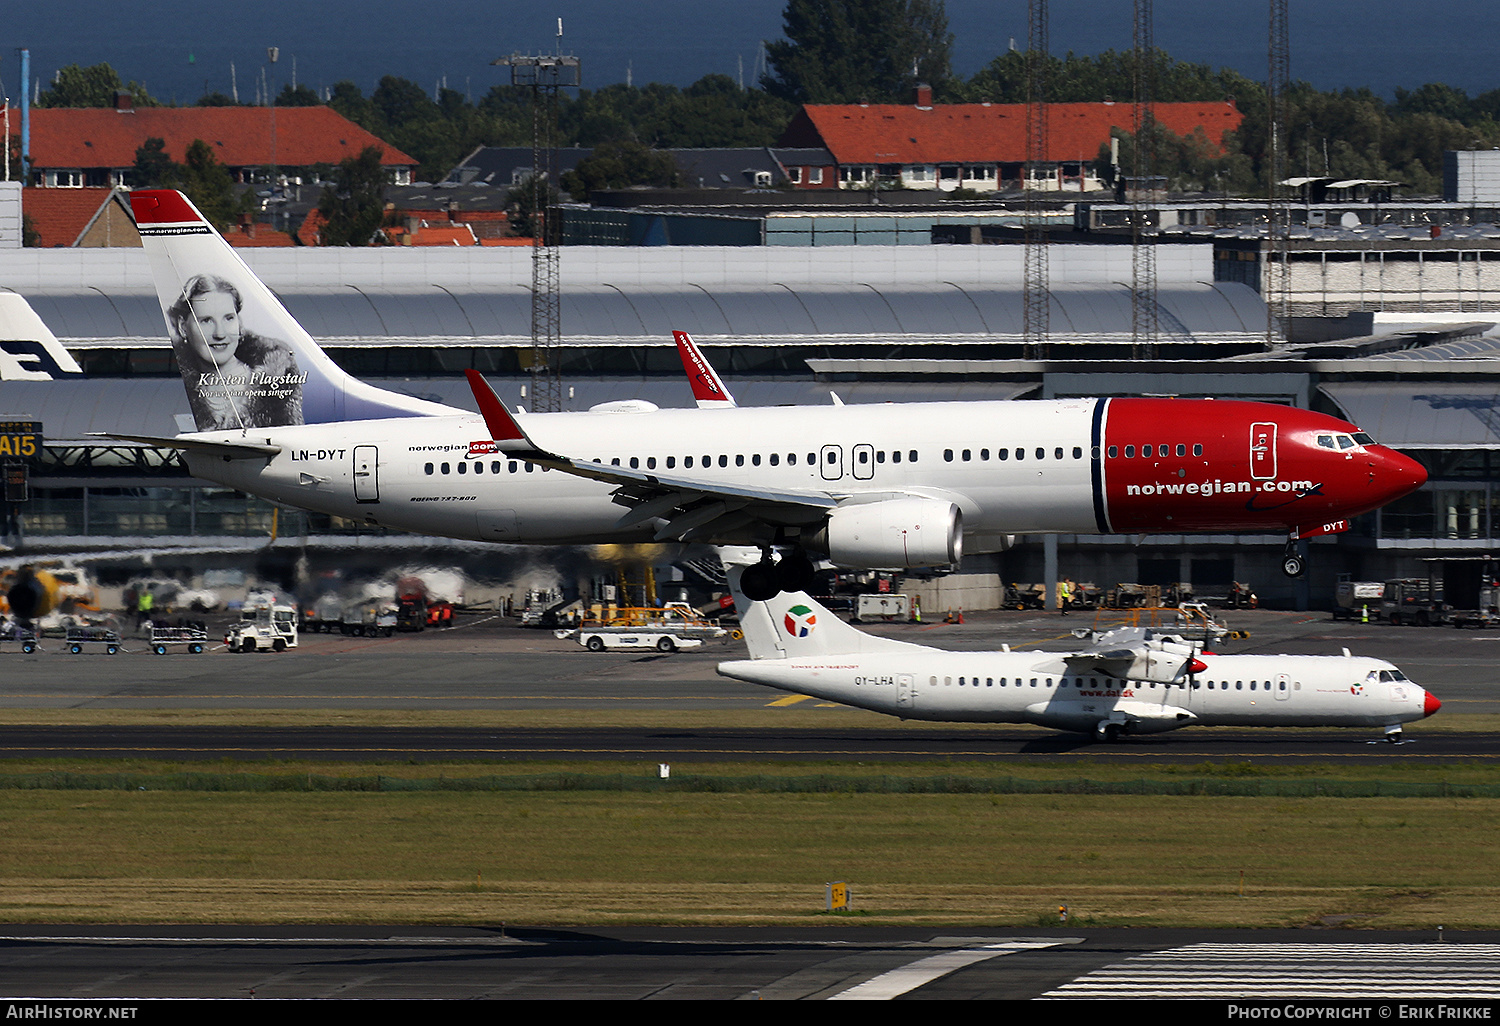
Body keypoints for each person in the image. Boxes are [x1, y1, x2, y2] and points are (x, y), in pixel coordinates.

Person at [167, 274, 304, 430]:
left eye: (229, 318)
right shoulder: (181, 392)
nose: (220, 334)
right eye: (206, 321)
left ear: (239, 323)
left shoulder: (275, 382)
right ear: (183, 327)